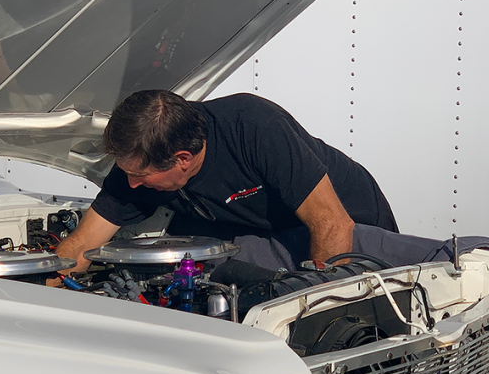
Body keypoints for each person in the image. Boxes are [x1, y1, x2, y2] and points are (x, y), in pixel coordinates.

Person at [55, 90, 398, 273]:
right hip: (269, 235)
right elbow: (83, 244)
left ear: (182, 159)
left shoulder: (255, 128)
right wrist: (48, 286)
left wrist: (320, 313)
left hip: (351, 227)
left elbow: (331, 224)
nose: (130, 185)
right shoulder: (142, 158)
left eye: (141, 176)